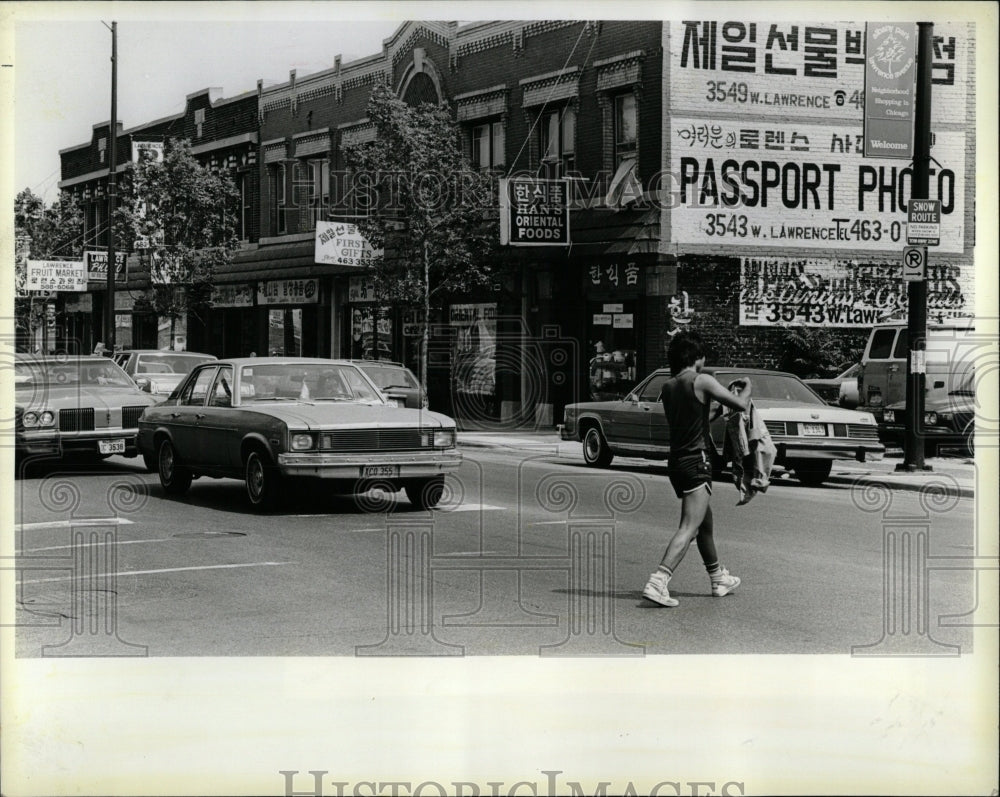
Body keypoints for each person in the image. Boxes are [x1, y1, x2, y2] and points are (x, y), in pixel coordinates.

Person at [642, 332, 752, 608]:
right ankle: (658, 580)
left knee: (704, 525)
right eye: (703, 357)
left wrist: (716, 410)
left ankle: (718, 578)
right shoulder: (702, 380)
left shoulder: (668, 387)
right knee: (690, 526)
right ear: (697, 357)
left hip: (677, 463)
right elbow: (741, 404)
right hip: (697, 461)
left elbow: (697, 417)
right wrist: (746, 386)